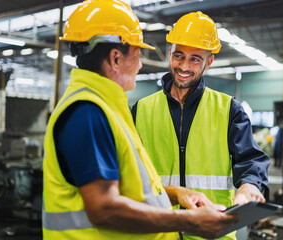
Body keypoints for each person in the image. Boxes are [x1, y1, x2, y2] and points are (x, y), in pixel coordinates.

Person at [42, 1, 239, 239]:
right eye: (137, 53)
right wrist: (189, 221)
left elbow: (131, 194)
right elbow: (104, 209)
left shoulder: (108, 110)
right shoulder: (87, 113)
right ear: (116, 58)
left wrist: (176, 194)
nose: (140, 64)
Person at [132, 11, 270, 240]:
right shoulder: (141, 110)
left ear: (209, 61)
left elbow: (250, 159)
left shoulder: (229, 110)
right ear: (169, 53)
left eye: (195, 59)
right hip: (157, 231)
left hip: (212, 233)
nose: (184, 66)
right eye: (179, 56)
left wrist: (250, 185)